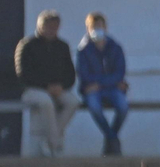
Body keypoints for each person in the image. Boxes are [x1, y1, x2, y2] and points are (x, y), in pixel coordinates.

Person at [15, 9, 77, 157]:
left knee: (73, 102)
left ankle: (49, 140)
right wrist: (46, 87)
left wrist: (61, 86)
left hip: (57, 89)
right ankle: (55, 144)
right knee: (46, 102)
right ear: (40, 26)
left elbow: (70, 74)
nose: (52, 30)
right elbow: (23, 74)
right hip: (32, 90)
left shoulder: (63, 46)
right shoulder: (26, 45)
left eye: (55, 27)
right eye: (49, 26)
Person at [77, 12, 128, 157]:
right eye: (93, 27)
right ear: (87, 29)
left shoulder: (115, 47)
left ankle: (110, 138)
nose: (96, 29)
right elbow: (84, 74)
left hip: (111, 88)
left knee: (123, 107)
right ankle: (112, 138)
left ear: (105, 27)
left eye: (99, 26)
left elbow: (120, 72)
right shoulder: (83, 49)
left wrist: (100, 84)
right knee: (94, 106)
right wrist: (102, 84)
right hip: (92, 90)